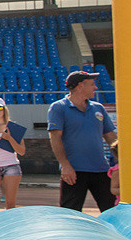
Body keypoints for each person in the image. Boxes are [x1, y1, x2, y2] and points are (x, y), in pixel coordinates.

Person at [47, 70, 117, 212]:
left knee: (112, 210)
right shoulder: (58, 107)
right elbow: (55, 138)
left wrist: (124, 159)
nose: (95, 88)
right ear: (80, 86)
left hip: (101, 169)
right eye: (92, 84)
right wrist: (65, 166)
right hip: (74, 171)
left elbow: (111, 137)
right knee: (70, 213)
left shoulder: (98, 108)